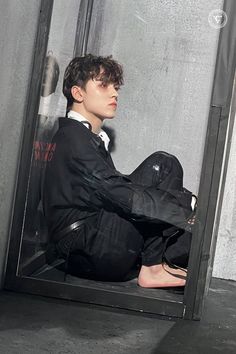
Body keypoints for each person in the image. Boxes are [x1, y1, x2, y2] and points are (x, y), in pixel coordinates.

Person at [43, 54, 196, 288]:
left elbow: (115, 190)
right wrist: (184, 204)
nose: (114, 93)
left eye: (115, 86)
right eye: (104, 84)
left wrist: (177, 203)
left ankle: (154, 264)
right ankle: (152, 269)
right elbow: (116, 191)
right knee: (163, 165)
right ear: (78, 93)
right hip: (83, 250)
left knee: (173, 215)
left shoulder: (84, 137)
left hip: (89, 245)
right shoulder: (73, 139)